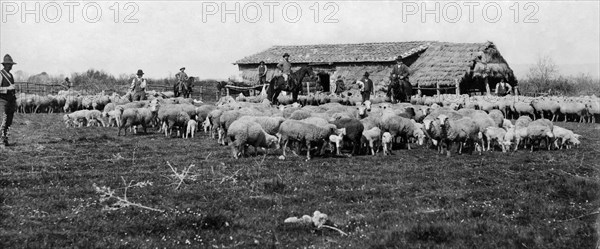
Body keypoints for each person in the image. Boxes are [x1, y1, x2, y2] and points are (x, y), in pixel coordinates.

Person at [0, 54, 17, 147]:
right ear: (4, 65)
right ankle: (0, 140)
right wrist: (8, 88)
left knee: (9, 121)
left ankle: (5, 139)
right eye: (9, 64)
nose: (10, 66)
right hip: (3, 101)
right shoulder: (0, 74)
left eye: (11, 64)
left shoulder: (10, 75)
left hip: (11, 101)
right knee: (3, 120)